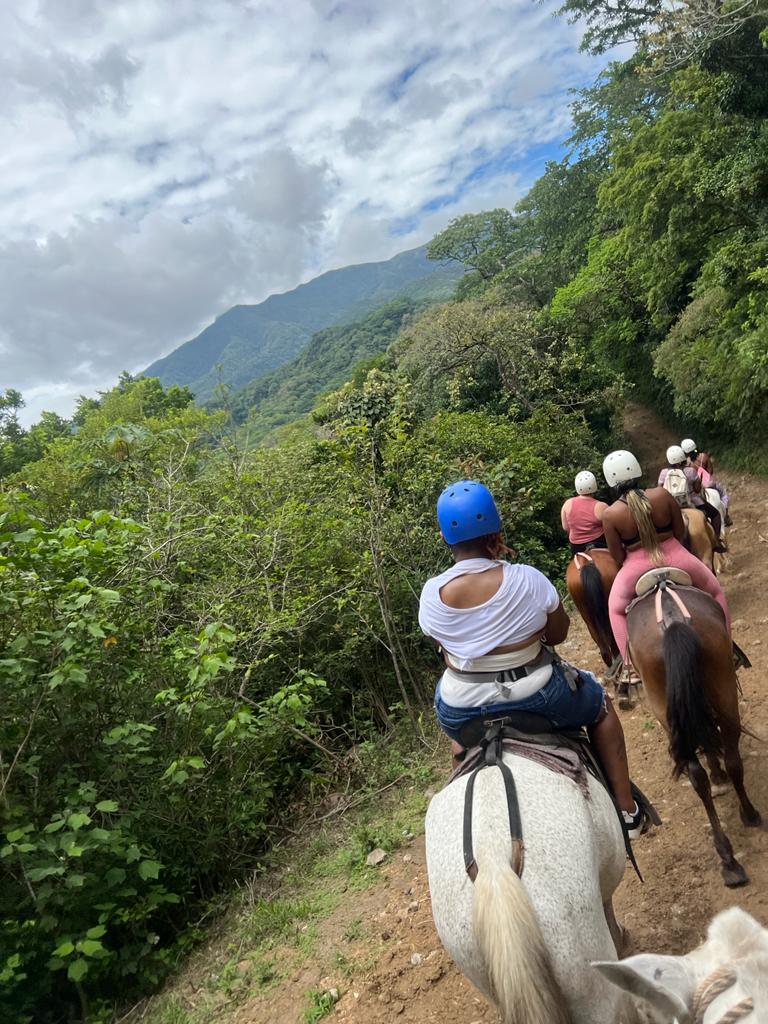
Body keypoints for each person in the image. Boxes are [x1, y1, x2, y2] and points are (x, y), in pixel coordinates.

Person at [418, 479, 646, 836]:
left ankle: (462, 772)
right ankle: (626, 809)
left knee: (458, 725)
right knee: (600, 704)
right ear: (495, 528)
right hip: (537, 693)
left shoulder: (431, 595)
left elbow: (439, 642)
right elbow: (558, 634)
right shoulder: (526, 579)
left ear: (446, 538)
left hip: (459, 706)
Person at [601, 451, 732, 667]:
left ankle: (630, 667)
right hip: (675, 555)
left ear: (610, 480)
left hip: (635, 567)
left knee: (614, 609)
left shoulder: (611, 514)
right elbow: (680, 531)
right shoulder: (661, 495)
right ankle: (727, 648)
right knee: (716, 591)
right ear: (636, 470)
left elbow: (617, 555)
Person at [658, 444, 722, 541]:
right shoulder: (690, 471)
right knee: (715, 515)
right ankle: (716, 541)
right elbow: (697, 490)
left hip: (671, 507)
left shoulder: (664, 473)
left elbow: (660, 490)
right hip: (693, 503)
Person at [682, 437, 732, 525]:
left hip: (695, 487)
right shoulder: (703, 456)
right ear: (695, 447)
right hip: (708, 483)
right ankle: (726, 516)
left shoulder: (686, 463)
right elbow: (710, 471)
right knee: (723, 493)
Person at [560, 471, 608, 553]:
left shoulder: (567, 504)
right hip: (600, 543)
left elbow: (566, 528)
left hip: (576, 547)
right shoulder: (601, 506)